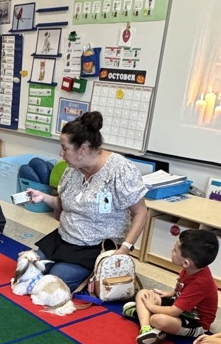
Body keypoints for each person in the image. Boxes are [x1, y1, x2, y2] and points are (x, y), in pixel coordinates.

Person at [25, 111, 147, 290]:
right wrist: (43, 197)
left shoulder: (120, 169)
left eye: (65, 148)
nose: (61, 153)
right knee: (27, 271)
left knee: (51, 285)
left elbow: (141, 212)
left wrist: (125, 249)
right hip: (64, 238)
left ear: (82, 149)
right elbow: (64, 204)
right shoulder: (72, 168)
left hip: (95, 248)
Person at [123, 229, 219, 344]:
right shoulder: (193, 268)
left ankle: (148, 318)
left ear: (185, 263)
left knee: (158, 320)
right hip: (179, 306)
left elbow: (174, 312)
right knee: (143, 294)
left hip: (195, 322)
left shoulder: (200, 283)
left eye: (174, 250)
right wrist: (169, 294)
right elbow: (182, 287)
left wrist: (151, 307)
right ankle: (146, 329)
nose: (171, 251)